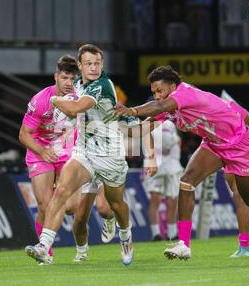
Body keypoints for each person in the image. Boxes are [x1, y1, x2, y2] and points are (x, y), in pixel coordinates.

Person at [115, 65, 249, 260]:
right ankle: (184, 245)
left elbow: (159, 107)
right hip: (213, 144)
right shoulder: (167, 106)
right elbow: (139, 130)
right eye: (153, 92)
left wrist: (131, 110)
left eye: (159, 91)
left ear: (173, 86)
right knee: (186, 181)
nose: (156, 96)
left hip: (239, 143)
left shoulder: (184, 94)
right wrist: (112, 127)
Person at [27, 44, 157, 265]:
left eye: (97, 63)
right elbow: (73, 115)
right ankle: (44, 246)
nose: (94, 67)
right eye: (88, 63)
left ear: (102, 65)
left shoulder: (103, 85)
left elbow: (75, 109)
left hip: (109, 155)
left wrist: (55, 100)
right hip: (84, 152)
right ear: (80, 65)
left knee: (114, 205)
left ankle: (125, 236)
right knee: (62, 194)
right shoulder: (78, 84)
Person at [19, 55, 117, 264]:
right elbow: (24, 134)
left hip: (69, 151)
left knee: (71, 207)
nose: (68, 83)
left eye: (72, 78)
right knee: (44, 204)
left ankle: (96, 211)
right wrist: (42, 151)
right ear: (56, 77)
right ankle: (46, 253)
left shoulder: (81, 95)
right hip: (41, 152)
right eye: (64, 78)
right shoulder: (41, 100)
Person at [145, 119, 182, 241]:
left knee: (172, 200)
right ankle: (156, 234)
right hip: (155, 164)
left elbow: (175, 142)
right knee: (155, 198)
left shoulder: (170, 123)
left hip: (172, 165)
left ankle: (172, 233)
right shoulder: (148, 122)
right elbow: (165, 142)